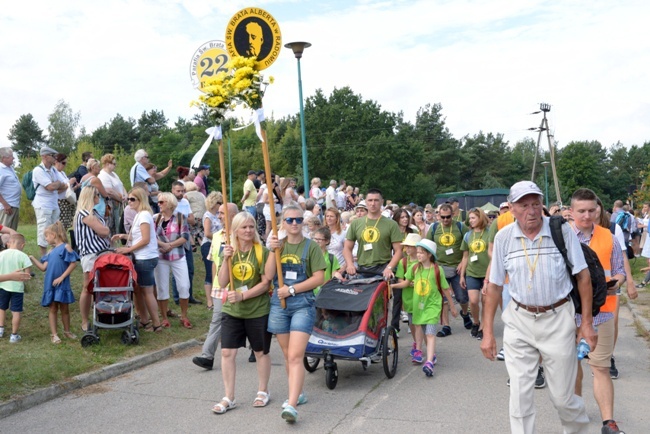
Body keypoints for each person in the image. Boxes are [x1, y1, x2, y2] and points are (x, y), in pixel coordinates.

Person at [481, 181, 595, 434]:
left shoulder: (561, 231)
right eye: (524, 205)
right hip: (519, 319)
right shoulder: (503, 238)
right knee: (520, 396)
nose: (532, 211)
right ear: (511, 208)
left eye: (536, 204)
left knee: (563, 398)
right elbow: (495, 287)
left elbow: (583, 277)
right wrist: (488, 332)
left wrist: (586, 323)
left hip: (557, 319)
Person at [570, 189, 627, 434]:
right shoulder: (562, 238)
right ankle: (575, 411)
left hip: (601, 313)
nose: (586, 215)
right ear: (571, 212)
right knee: (572, 367)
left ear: (599, 210)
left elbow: (619, 271)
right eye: (581, 211)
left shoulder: (609, 237)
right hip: (567, 314)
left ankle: (608, 422)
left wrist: (615, 282)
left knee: (600, 367)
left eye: (591, 210)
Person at [267, 205, 326, 423]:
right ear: (283, 223)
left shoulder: (311, 247)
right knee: (286, 354)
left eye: (298, 220)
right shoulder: (277, 246)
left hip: (303, 303)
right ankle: (298, 393)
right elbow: (268, 275)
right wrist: (273, 252)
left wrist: (292, 289)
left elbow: (319, 278)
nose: (294, 223)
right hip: (279, 305)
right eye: (290, 220)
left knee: (295, 355)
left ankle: (291, 405)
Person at [211, 211, 274, 414]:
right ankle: (229, 396)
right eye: (244, 227)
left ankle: (263, 391)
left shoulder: (261, 251)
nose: (248, 230)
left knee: (260, 352)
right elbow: (222, 282)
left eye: (251, 226)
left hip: (257, 310)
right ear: (235, 230)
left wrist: (242, 296)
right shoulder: (229, 251)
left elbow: (266, 283)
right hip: (232, 310)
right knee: (227, 352)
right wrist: (226, 258)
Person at [393, 238, 457, 376]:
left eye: (422, 253)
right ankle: (431, 355)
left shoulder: (437, 270)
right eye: (419, 252)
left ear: (429, 255)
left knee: (430, 333)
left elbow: (446, 289)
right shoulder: (414, 268)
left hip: (433, 306)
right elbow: (405, 283)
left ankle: (428, 362)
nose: (419, 254)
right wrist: (391, 286)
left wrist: (452, 306)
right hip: (418, 306)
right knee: (420, 328)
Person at [192, 202, 239, 370]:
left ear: (232, 215)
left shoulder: (242, 234)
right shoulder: (218, 235)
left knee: (247, 318)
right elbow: (213, 262)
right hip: (221, 285)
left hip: (241, 285)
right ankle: (207, 356)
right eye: (218, 213)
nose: (218, 216)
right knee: (217, 319)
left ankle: (257, 349)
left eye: (221, 213)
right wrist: (214, 284)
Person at [112, 188, 163, 333]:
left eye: (132, 199)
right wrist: (123, 236)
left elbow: (146, 239)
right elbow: (140, 237)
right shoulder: (139, 215)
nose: (129, 202)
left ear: (141, 200)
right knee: (139, 290)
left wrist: (128, 249)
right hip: (142, 257)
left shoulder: (144, 215)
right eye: (128, 199)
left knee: (146, 291)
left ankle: (156, 324)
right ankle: (145, 320)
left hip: (145, 258)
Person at [29, 224, 79, 344]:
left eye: (46, 236)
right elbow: (43, 267)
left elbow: (73, 263)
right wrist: (32, 258)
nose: (46, 239)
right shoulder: (50, 251)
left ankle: (67, 332)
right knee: (52, 308)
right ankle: (54, 335)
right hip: (50, 283)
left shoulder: (65, 247)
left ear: (53, 235)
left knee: (65, 308)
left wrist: (62, 277)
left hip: (62, 283)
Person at [426, 203, 471, 337]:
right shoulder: (434, 228)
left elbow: (469, 245)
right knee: (443, 299)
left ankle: (465, 313)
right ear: (438, 215)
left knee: (462, 297)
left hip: (457, 267)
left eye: (448, 217)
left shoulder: (460, 226)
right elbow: (428, 247)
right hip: (440, 267)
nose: (445, 220)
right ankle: (446, 326)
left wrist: (463, 263)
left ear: (453, 215)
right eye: (443, 217)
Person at [73, 186, 111, 332]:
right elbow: (103, 231)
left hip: (101, 253)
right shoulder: (84, 213)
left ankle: (101, 315)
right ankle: (84, 321)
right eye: (96, 195)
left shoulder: (94, 213)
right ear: (90, 196)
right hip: (91, 255)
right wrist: (105, 230)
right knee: (87, 287)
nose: (99, 197)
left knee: (100, 286)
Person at [343, 189, 402, 281]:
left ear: (381, 202)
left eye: (376, 200)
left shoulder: (391, 224)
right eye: (370, 200)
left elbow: (398, 250)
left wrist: (389, 267)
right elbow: (347, 247)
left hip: (382, 269)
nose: (373, 203)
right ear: (366, 202)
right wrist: (350, 264)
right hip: (361, 269)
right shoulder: (356, 223)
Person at [153, 192, 192, 329]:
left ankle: (184, 315)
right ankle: (164, 317)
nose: (158, 204)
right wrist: (162, 245)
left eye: (161, 202)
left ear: (169, 203)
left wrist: (170, 246)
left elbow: (185, 236)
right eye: (158, 202)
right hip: (161, 257)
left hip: (178, 255)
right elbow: (151, 237)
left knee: (183, 285)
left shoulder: (180, 217)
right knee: (162, 287)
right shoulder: (155, 218)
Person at [459, 207, 491, 340]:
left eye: (473, 218)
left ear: (480, 218)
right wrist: (462, 275)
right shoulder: (468, 235)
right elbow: (465, 256)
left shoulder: (490, 233)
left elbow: (493, 255)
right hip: (472, 272)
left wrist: (488, 278)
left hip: (487, 272)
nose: (470, 221)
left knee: (485, 301)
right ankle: (476, 322)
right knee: (473, 301)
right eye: (469, 218)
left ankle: (484, 327)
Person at [170, 181, 199, 305]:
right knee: (177, 269)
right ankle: (177, 298)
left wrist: (181, 217)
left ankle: (189, 295)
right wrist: (184, 217)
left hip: (185, 236)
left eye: (183, 191)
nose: (181, 193)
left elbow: (192, 220)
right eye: (178, 191)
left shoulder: (185, 202)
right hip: (173, 238)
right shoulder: (169, 202)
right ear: (173, 190)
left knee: (190, 269)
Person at [33, 146, 66, 256]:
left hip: (53, 204)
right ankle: (44, 257)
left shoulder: (53, 170)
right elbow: (51, 187)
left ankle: (52, 255)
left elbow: (65, 184)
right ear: (45, 156)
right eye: (53, 156)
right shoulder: (38, 170)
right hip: (43, 205)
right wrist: (56, 184)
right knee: (44, 230)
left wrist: (55, 184)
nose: (55, 159)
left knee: (54, 230)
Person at [0, 234, 33, 343]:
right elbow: (27, 276)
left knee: (1, 308)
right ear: (22, 245)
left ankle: (1, 329)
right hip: (17, 289)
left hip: (3, 285)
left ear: (8, 243)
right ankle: (14, 335)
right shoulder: (23, 256)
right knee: (16, 311)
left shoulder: (1, 254)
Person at [394, 233, 422, 361]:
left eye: (410, 246)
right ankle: (416, 342)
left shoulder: (423, 260)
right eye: (406, 246)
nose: (407, 249)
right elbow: (400, 278)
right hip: (408, 296)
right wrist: (407, 282)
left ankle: (420, 348)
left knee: (419, 323)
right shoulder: (403, 262)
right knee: (411, 322)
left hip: (421, 296)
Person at [200, 192, 223, 309]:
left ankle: (218, 297)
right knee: (210, 272)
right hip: (209, 245)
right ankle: (210, 301)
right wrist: (220, 237)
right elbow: (207, 233)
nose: (221, 205)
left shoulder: (220, 214)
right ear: (214, 203)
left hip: (219, 245)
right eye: (220, 202)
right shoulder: (208, 215)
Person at [98, 153, 127, 235]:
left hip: (119, 203)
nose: (115, 165)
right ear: (107, 164)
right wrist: (121, 199)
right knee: (111, 224)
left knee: (118, 224)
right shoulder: (103, 175)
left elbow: (121, 185)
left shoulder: (114, 174)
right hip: (110, 204)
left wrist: (125, 195)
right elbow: (109, 192)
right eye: (114, 164)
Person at [312, 227, 344, 295]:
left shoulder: (331, 257)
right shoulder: (309, 256)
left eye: (319, 239)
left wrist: (338, 277)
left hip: (324, 292)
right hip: (310, 292)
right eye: (315, 239)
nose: (316, 241)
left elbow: (334, 273)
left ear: (327, 241)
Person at [80, 159, 111, 223]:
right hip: (97, 206)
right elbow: (104, 194)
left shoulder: (83, 178)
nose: (100, 168)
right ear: (93, 167)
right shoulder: (95, 180)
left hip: (86, 205)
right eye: (98, 166)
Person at [0, 147, 22, 230]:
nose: (13, 158)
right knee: (4, 232)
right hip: (7, 206)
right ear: (3, 158)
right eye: (10, 156)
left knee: (12, 232)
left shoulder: (10, 169)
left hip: (14, 204)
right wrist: (5, 204)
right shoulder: (1, 169)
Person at [53, 153, 74, 230]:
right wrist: (69, 183)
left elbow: (66, 187)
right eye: (63, 163)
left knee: (66, 225)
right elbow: (56, 190)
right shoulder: (54, 172)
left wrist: (73, 187)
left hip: (67, 201)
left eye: (65, 163)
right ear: (56, 162)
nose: (64, 165)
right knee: (60, 225)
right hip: (60, 202)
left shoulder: (62, 173)